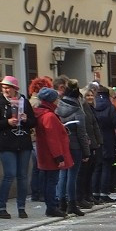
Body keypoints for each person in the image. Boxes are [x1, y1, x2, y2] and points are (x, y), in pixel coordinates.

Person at [0, 75, 36, 220]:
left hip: (23, 143)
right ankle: (1, 208)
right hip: (7, 144)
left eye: (8, 87)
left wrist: (27, 120)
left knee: (22, 176)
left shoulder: (24, 101)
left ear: (15, 89)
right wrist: (7, 122)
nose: (5, 90)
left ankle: (21, 207)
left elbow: (34, 122)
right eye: (3, 87)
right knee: (9, 174)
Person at [32, 87, 72, 218]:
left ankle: (51, 205)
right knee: (52, 181)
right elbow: (52, 138)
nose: (58, 102)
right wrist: (59, 157)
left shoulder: (42, 113)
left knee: (48, 180)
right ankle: (52, 207)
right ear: (51, 101)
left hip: (45, 153)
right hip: (51, 155)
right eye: (56, 99)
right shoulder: (49, 116)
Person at [55, 79, 90, 217]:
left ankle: (61, 202)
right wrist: (86, 151)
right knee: (72, 176)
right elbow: (82, 134)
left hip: (62, 145)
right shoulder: (78, 111)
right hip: (75, 146)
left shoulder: (58, 108)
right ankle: (72, 203)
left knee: (63, 174)